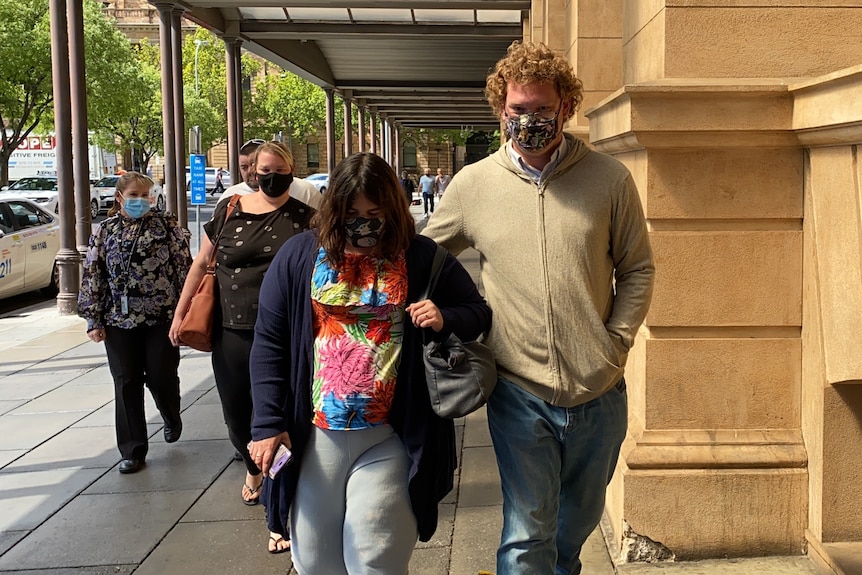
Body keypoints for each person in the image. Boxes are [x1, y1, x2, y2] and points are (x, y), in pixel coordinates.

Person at [422, 41, 655, 575]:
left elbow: (638, 269)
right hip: (519, 392)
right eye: (517, 111)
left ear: (566, 107)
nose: (528, 122)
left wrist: (615, 343)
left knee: (574, 527)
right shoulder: (474, 186)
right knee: (528, 533)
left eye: (540, 111)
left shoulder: (609, 179)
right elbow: (422, 260)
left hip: (599, 390)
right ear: (501, 110)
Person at [247, 152, 492, 574]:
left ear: (392, 209)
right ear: (333, 210)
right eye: (351, 213)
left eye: (374, 213)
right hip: (316, 437)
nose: (363, 223)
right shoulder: (298, 257)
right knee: (314, 558)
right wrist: (267, 423)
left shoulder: (421, 257)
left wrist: (444, 317)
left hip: (392, 435)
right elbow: (269, 342)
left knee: (374, 551)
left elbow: (478, 312)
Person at [169, 141, 316, 553]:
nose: (269, 176)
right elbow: (201, 263)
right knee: (237, 413)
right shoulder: (229, 210)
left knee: (278, 415)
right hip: (232, 330)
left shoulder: (306, 220)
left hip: (284, 331)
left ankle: (278, 502)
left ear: (291, 170)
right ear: (252, 171)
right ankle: (254, 466)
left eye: (279, 169)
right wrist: (179, 314)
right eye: (263, 169)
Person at [78, 172, 192, 475]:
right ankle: (132, 449)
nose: (141, 200)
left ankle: (170, 413)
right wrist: (94, 318)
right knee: (126, 381)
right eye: (134, 195)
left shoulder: (166, 226)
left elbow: (184, 268)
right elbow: (93, 275)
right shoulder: (105, 231)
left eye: (146, 194)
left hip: (160, 317)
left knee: (161, 375)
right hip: (118, 319)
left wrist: (186, 312)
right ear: (119, 197)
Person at [219, 139, 322, 211]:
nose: (250, 171)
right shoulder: (230, 198)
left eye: (279, 169)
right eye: (244, 167)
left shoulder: (306, 192)